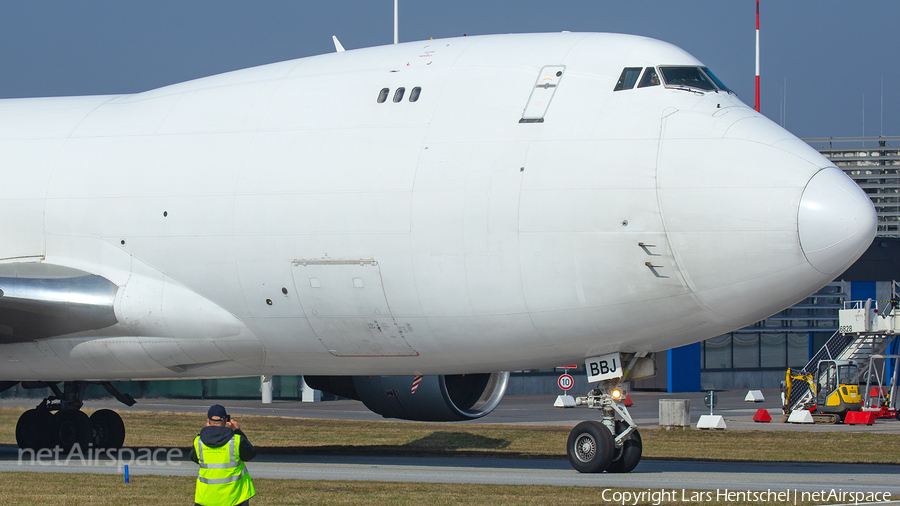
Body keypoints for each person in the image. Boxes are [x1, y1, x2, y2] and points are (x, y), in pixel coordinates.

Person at [190, 404, 258, 506]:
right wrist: (237, 431)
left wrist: (207, 432)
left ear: (208, 421)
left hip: (206, 498)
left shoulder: (199, 442)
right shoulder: (236, 440)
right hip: (235, 498)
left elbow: (194, 457)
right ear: (226, 420)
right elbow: (250, 454)